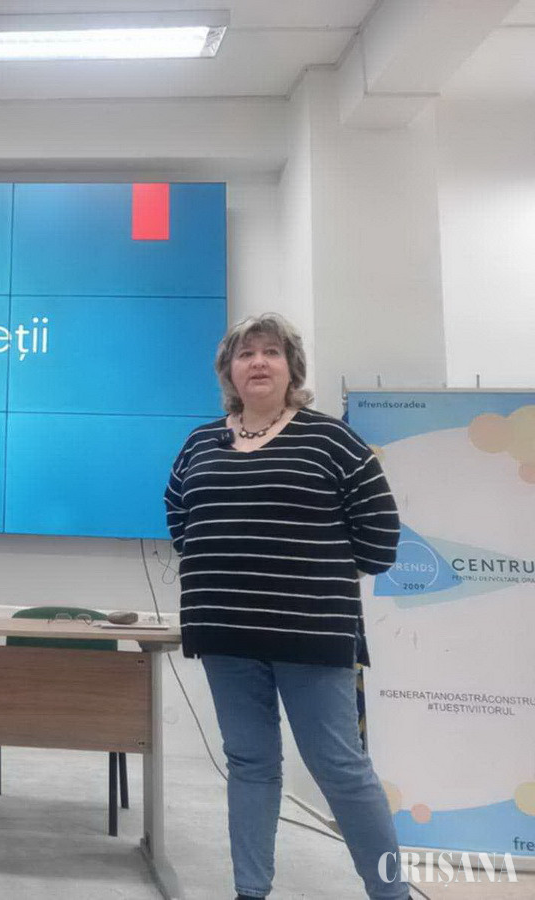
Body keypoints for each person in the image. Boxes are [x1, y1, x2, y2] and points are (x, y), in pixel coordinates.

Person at [164, 313, 409, 900]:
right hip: (224, 632)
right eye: (245, 353)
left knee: (340, 769)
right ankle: (250, 891)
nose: (258, 362)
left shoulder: (332, 441)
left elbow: (380, 539)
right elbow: (180, 519)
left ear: (291, 368)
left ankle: (391, 893)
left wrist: (310, 575)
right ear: (228, 370)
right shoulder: (201, 442)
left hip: (311, 634)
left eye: (271, 352)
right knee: (249, 763)